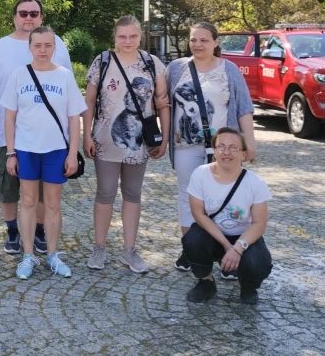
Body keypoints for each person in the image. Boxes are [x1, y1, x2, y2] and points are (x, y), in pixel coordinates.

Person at [0, 0, 71, 255]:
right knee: (8, 188)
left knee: (42, 190)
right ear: (15, 17)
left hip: (47, 136)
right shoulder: (1, 46)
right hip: (9, 135)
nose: (29, 18)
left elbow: (67, 89)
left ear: (41, 16)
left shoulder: (56, 43)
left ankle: (40, 231)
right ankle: (12, 232)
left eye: (34, 13)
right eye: (23, 13)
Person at [167, 21, 256, 276]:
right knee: (187, 196)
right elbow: (163, 103)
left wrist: (249, 143)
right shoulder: (176, 69)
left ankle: (225, 252)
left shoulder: (229, 70)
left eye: (204, 40)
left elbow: (244, 108)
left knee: (222, 196)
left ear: (216, 42)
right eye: (193, 39)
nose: (198, 44)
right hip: (184, 145)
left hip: (221, 148)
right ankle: (190, 249)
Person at [83, 15, 170, 274]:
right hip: (105, 139)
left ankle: (129, 250)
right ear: (114, 37)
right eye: (122, 36)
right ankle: (99, 247)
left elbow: (163, 103)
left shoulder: (152, 63)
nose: (128, 41)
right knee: (105, 193)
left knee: (132, 194)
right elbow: (88, 101)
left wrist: (164, 138)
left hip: (139, 142)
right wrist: (86, 135)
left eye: (133, 36)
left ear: (140, 36)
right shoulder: (103, 61)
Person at [0, 26, 86, 279]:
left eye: (48, 45)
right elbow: (9, 117)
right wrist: (11, 153)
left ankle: (52, 254)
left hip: (56, 149)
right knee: (27, 201)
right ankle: (28, 255)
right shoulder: (19, 75)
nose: (43, 50)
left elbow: (74, 118)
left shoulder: (64, 76)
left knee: (53, 203)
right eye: (37, 45)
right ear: (30, 47)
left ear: (54, 47)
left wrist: (72, 153)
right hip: (26, 149)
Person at [183, 127, 273, 304]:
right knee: (192, 240)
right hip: (212, 234)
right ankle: (206, 281)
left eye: (233, 148)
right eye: (221, 146)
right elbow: (198, 214)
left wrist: (238, 248)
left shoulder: (255, 183)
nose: (226, 152)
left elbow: (259, 224)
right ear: (214, 151)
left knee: (258, 263)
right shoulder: (200, 174)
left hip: (243, 237)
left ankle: (248, 286)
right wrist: (226, 245)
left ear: (243, 154)